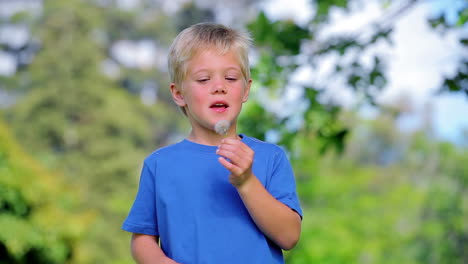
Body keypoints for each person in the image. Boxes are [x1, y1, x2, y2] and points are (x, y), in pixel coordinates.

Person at [122, 22, 302, 264]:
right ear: (179, 94)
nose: (219, 87)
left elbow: (289, 236)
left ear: (246, 90)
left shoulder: (271, 158)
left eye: (230, 78)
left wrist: (247, 181)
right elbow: (142, 238)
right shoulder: (159, 165)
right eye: (204, 79)